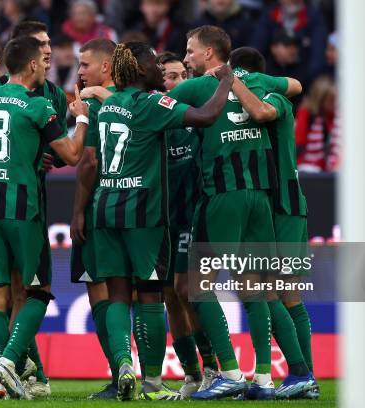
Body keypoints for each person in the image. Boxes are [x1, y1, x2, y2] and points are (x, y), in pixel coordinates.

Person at [0, 36, 87, 399]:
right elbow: (72, 156)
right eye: (42, 62)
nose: (45, 66)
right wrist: (82, 117)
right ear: (30, 66)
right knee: (38, 291)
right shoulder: (37, 106)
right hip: (23, 210)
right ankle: (7, 363)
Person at [169, 25, 302, 400]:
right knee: (256, 287)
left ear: (210, 54)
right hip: (259, 198)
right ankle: (262, 378)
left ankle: (227, 371)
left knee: (195, 286)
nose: (186, 58)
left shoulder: (197, 87)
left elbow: (155, 106)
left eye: (190, 51)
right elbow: (294, 84)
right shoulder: (257, 79)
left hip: (223, 196)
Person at [95, 41, 233, 401]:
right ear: (141, 70)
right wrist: (227, 83)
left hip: (106, 207)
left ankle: (124, 361)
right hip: (143, 211)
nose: (160, 70)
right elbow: (206, 117)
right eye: (155, 65)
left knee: (118, 297)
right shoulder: (152, 103)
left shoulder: (109, 105)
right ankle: (153, 383)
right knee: (153, 295)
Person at [229, 46, 318, 399]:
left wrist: (234, 82)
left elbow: (276, 100)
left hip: (285, 206)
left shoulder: (273, 99)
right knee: (278, 293)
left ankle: (302, 375)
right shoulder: (264, 92)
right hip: (274, 205)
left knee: (280, 293)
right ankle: (304, 378)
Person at [158, 51, 217, 398]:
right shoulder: (153, 119)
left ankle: (213, 367)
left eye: (179, 76)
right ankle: (192, 375)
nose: (173, 82)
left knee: (187, 290)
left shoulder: (195, 122)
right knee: (169, 296)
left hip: (191, 214)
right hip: (159, 218)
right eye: (166, 76)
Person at [69, 38, 119, 399]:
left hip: (100, 206)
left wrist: (77, 212)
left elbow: (87, 161)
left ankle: (121, 371)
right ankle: (142, 375)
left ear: (106, 67)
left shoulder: (97, 104)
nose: (80, 70)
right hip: (134, 206)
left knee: (100, 288)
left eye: (85, 64)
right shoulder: (132, 99)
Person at [252, 0, 327, 82]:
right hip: (272, 77)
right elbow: (257, 48)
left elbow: (318, 56)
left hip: (303, 79)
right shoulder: (270, 14)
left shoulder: (314, 17)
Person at [294, 75, 339, 172]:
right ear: (320, 99)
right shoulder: (306, 114)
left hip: (324, 170)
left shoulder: (332, 117)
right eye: (330, 100)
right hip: (305, 168)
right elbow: (299, 142)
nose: (334, 103)